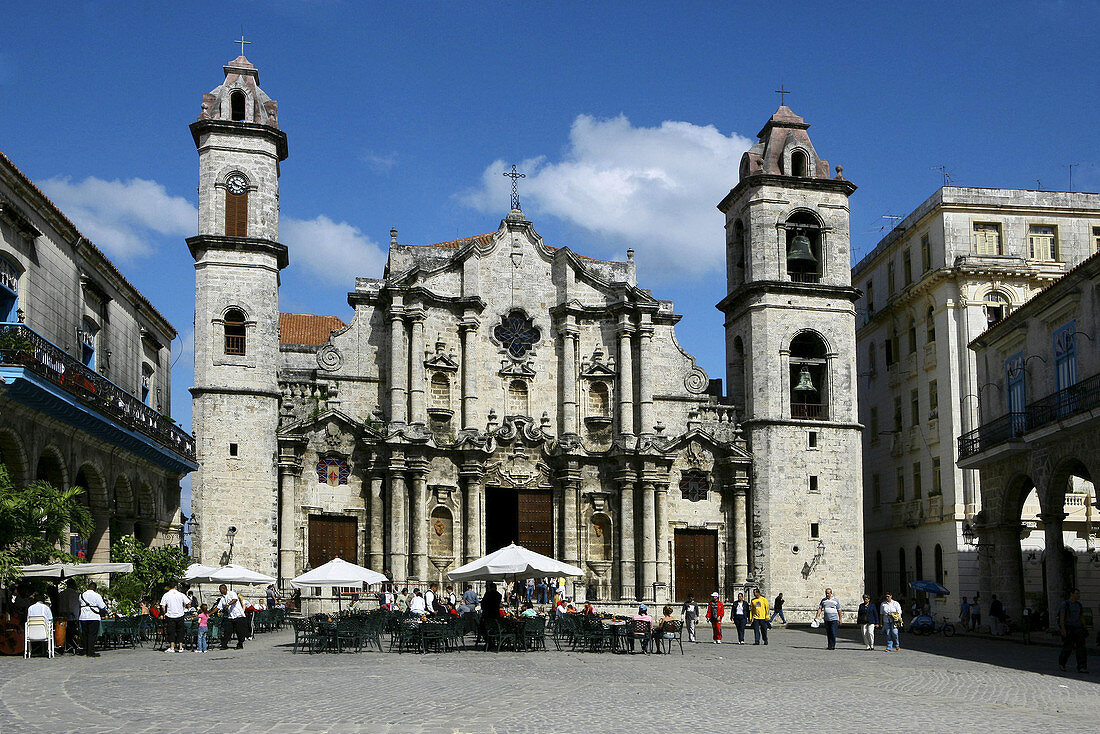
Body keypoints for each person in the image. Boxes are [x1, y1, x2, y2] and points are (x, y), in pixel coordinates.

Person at [1058, 588, 1088, 673]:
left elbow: (1081, 616)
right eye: (1077, 593)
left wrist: (1084, 627)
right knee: (1068, 647)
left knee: (1081, 648)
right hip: (1069, 628)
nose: (1078, 595)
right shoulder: (1065, 604)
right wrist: (1063, 629)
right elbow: (1062, 617)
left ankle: (1082, 666)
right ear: (1071, 594)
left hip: (1078, 628)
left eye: (1079, 594)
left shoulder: (1079, 605)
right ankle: (1062, 664)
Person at [160, 581, 190, 653]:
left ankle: (172, 647)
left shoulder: (166, 595)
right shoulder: (181, 594)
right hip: (180, 615)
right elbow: (188, 602)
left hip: (170, 615)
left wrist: (165, 613)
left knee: (171, 631)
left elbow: (163, 606)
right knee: (180, 631)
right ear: (176, 587)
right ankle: (180, 647)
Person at [79, 581, 107, 657]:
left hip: (83, 616)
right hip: (93, 616)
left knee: (84, 634)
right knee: (92, 634)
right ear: (95, 588)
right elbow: (102, 606)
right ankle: (90, 651)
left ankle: (84, 650)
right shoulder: (97, 595)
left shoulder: (81, 595)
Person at [216, 584, 246, 650]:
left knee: (239, 631)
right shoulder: (223, 598)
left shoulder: (232, 593)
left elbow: (235, 599)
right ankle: (224, 644)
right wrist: (209, 613)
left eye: (220, 590)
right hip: (230, 616)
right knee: (227, 630)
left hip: (239, 615)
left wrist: (228, 604)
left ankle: (240, 644)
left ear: (224, 589)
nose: (220, 591)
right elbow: (218, 607)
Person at [480, 582, 503, 649]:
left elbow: (483, 604)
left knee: (485, 629)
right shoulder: (499, 595)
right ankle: (494, 642)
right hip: (495, 614)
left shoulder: (487, 594)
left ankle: (489, 642)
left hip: (487, 614)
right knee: (496, 628)